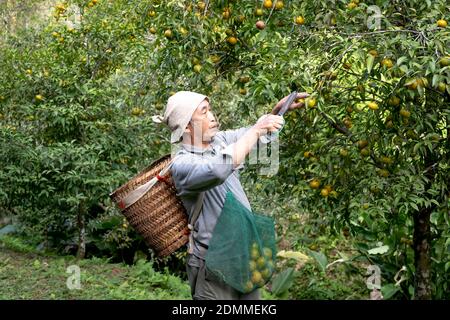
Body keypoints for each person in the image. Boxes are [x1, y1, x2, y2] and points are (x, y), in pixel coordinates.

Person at [161, 90, 308, 300]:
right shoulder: (182, 164)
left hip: (243, 257)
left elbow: (251, 136)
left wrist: (276, 113)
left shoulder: (220, 141)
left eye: (210, 109)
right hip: (212, 264)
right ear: (187, 126)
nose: (212, 116)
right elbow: (217, 170)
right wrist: (257, 129)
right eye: (204, 112)